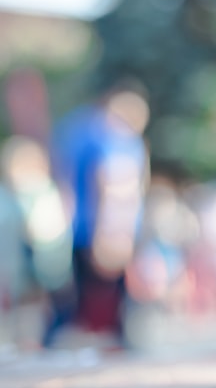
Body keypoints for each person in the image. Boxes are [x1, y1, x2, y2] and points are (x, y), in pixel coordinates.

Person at [44, 86, 149, 347]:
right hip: (103, 227)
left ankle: (59, 337)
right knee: (107, 293)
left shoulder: (81, 130)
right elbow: (113, 185)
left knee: (79, 291)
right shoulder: (116, 139)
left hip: (82, 225)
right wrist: (112, 231)